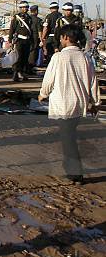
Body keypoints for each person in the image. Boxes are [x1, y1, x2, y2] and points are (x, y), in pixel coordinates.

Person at [38, 24, 100, 184]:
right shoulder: (85, 57)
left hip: (63, 104)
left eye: (60, 37)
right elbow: (93, 82)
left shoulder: (58, 58)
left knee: (68, 138)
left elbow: (48, 80)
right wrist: (94, 102)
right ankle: (72, 168)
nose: (59, 40)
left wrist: (43, 94)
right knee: (70, 136)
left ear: (66, 38)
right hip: (79, 104)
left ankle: (75, 173)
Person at [8, 1, 33, 81]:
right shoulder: (16, 17)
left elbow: (30, 30)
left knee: (25, 58)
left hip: (27, 40)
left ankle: (22, 73)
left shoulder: (29, 18)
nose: (25, 9)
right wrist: (10, 40)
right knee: (18, 57)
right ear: (20, 8)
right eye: (23, 7)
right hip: (19, 40)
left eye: (26, 7)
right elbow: (12, 29)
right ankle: (15, 74)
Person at [28, 5, 43, 73]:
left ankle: (26, 67)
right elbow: (40, 31)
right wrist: (41, 40)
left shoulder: (27, 18)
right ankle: (30, 68)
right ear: (36, 11)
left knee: (27, 52)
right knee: (34, 53)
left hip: (27, 37)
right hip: (34, 38)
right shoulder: (38, 20)